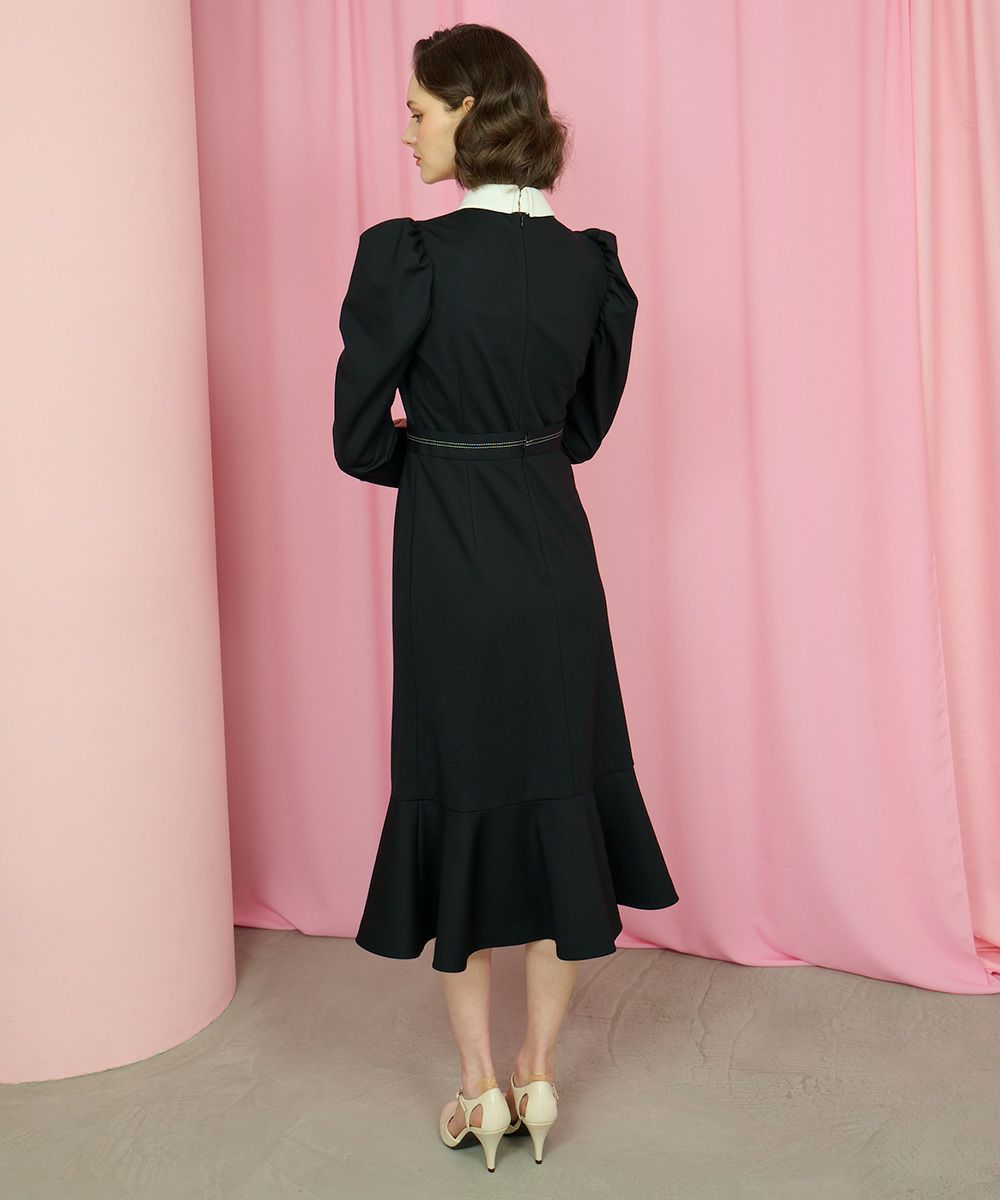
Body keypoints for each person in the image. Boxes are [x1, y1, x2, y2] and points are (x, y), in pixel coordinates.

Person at [333, 22, 680, 1173]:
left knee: (462, 799)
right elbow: (580, 432)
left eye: (418, 111)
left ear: (471, 115)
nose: (405, 130)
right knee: (558, 799)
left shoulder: (407, 257)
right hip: (556, 566)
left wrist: (438, 458)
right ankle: (540, 1074)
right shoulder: (591, 266)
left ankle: (476, 1087)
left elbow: (356, 442)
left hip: (448, 568)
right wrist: (510, 451)